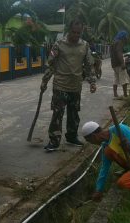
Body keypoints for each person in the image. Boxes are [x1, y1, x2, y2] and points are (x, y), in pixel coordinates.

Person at [40, 19, 97, 152]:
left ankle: (71, 137)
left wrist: (92, 82)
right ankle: (54, 141)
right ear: (69, 30)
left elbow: (89, 65)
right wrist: (44, 81)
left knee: (73, 114)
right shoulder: (59, 44)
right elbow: (51, 64)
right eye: (73, 32)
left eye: (79, 32)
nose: (76, 35)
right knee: (57, 114)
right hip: (60, 85)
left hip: (76, 86)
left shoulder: (85, 46)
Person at [110, 31, 130, 99]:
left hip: (114, 64)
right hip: (119, 64)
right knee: (124, 79)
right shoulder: (119, 42)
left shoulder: (113, 42)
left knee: (116, 78)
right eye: (126, 37)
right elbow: (119, 53)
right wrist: (122, 63)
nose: (126, 38)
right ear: (123, 37)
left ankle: (115, 94)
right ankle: (125, 94)